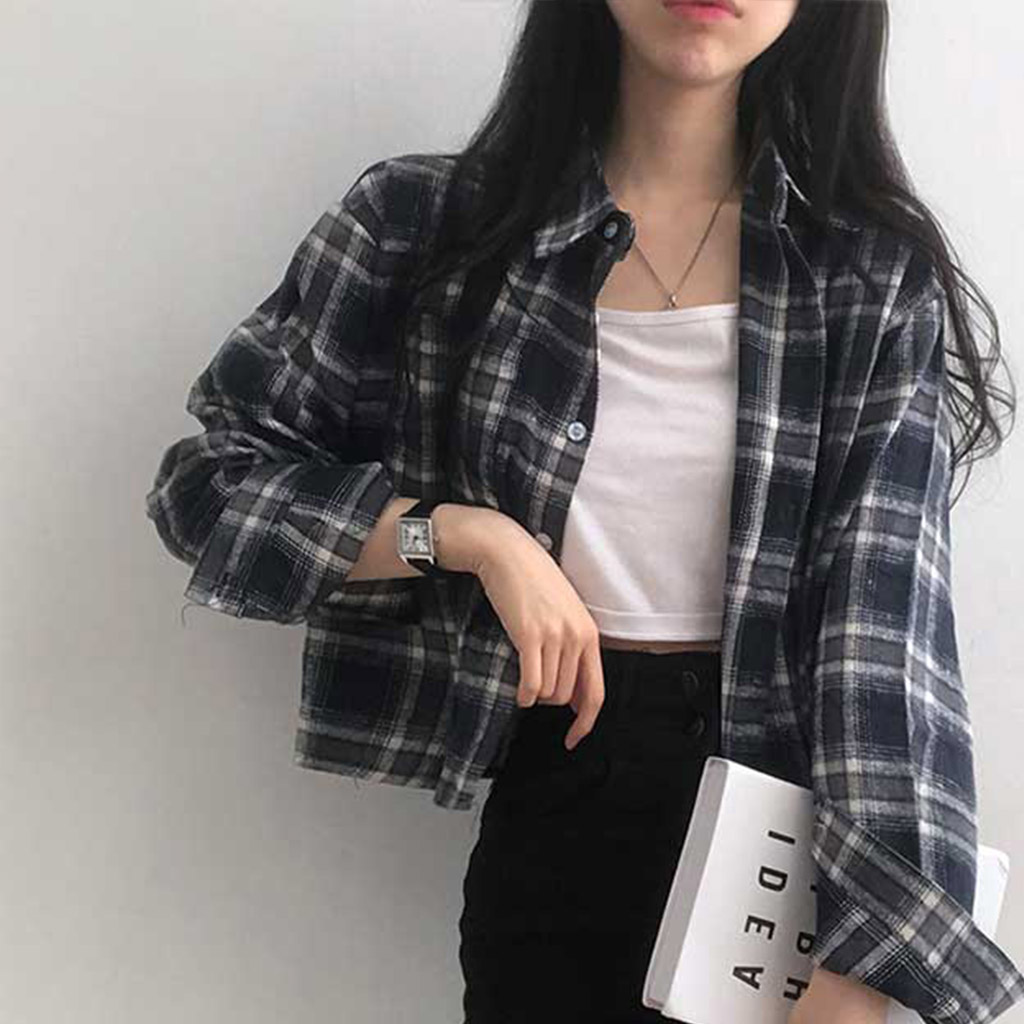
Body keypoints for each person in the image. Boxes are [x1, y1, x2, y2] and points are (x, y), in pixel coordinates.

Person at [144, 2, 1024, 1022]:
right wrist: (463, 536)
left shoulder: (865, 279)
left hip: (789, 850)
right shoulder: (422, 227)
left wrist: (865, 966)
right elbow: (207, 488)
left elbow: (885, 639)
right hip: (559, 809)